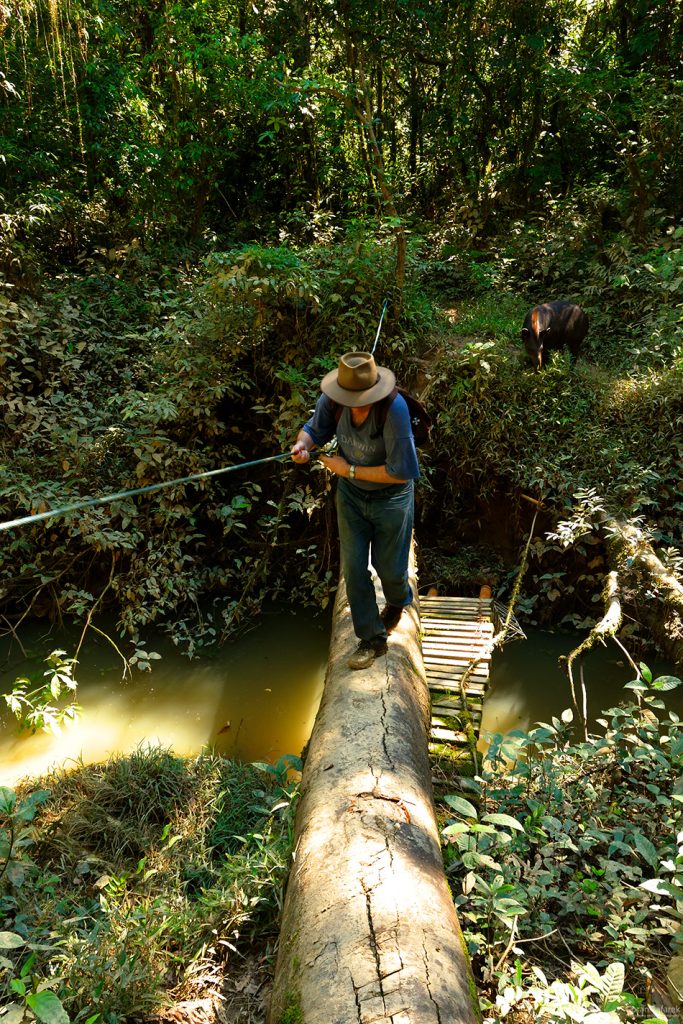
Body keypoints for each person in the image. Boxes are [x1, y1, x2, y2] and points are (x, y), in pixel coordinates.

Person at [290, 351, 420, 670]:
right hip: (351, 497)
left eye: (360, 398)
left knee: (389, 568)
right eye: (349, 397)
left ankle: (399, 600)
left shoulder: (393, 410)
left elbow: (401, 471)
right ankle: (372, 639)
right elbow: (313, 429)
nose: (354, 403)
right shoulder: (333, 401)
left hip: (391, 497)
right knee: (354, 567)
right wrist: (302, 445)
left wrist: (345, 470)